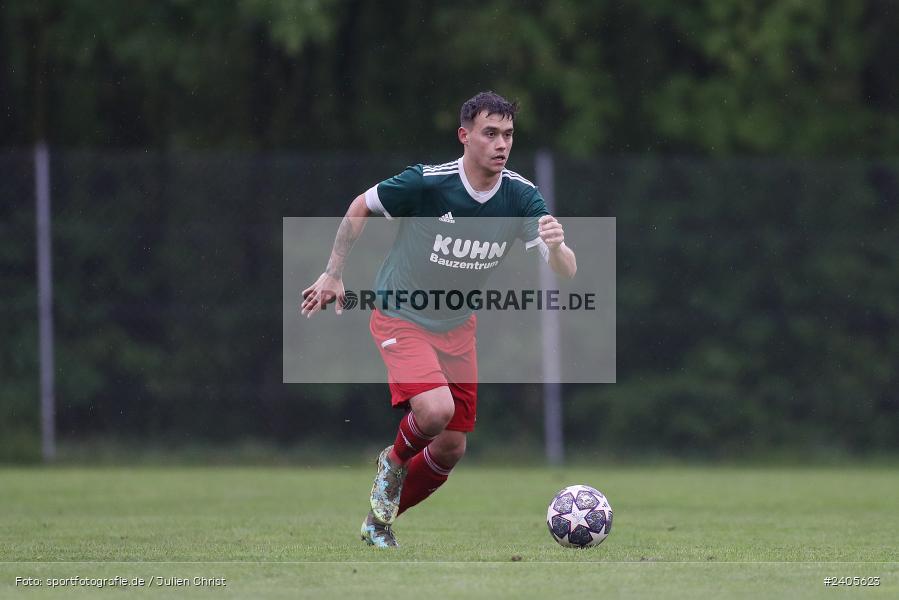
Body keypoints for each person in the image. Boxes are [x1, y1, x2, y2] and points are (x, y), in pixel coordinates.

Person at [301, 91, 576, 547]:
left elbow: (564, 270)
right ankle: (392, 460)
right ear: (464, 136)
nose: (501, 143)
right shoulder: (428, 183)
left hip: (456, 327)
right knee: (435, 409)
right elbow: (360, 205)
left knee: (451, 447)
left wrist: (555, 245)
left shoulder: (522, 195)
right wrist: (333, 273)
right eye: (490, 133)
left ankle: (377, 522)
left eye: (508, 134)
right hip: (400, 315)